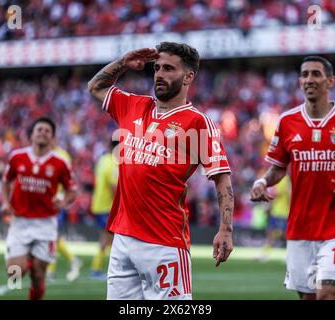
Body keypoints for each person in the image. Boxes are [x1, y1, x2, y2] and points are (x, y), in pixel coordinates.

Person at [88, 42, 234, 300]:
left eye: (169, 69)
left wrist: (225, 229)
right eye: (157, 68)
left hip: (163, 242)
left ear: (188, 76)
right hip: (122, 238)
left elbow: (222, 178)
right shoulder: (134, 105)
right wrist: (123, 62)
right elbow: (96, 86)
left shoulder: (198, 123)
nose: (159, 74)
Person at [250, 56, 335, 300]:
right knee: (308, 298)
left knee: (327, 295)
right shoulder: (287, 121)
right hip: (300, 226)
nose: (309, 79)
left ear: (330, 81)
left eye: (315, 74)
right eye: (305, 74)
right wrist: (261, 182)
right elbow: (278, 168)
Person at [1, 117, 77, 300]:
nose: (43, 133)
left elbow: (72, 190)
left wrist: (65, 201)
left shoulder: (60, 163)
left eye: (47, 131)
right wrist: (5, 202)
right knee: (14, 277)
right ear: (32, 135)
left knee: (38, 276)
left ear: (52, 137)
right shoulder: (17, 157)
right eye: (39, 130)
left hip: (45, 224)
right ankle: (27, 260)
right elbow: (5, 181)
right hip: (19, 222)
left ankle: (34, 278)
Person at [46, 146, 83, 283]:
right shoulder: (46, 153)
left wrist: (65, 198)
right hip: (48, 199)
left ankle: (50, 270)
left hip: (58, 199)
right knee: (53, 236)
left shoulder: (61, 155)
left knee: (52, 235)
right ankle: (72, 260)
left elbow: (68, 178)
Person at [89, 140, 119, 280]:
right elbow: (114, 188)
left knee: (109, 238)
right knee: (108, 239)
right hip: (107, 206)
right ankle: (96, 269)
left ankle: (100, 268)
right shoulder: (113, 163)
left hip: (99, 204)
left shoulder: (103, 160)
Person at [256, 176, 290, 262]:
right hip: (276, 212)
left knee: (285, 235)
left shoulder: (284, 179)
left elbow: (276, 193)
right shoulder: (280, 179)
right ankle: (265, 253)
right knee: (270, 233)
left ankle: (289, 254)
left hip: (283, 212)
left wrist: (266, 193)